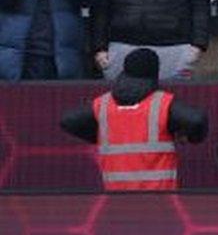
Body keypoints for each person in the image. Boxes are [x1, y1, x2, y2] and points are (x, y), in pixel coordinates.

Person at [60, 47, 209, 189]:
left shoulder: (103, 104)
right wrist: (190, 137)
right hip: (161, 198)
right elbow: (197, 119)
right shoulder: (161, 103)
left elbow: (67, 120)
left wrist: (98, 137)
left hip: (116, 198)